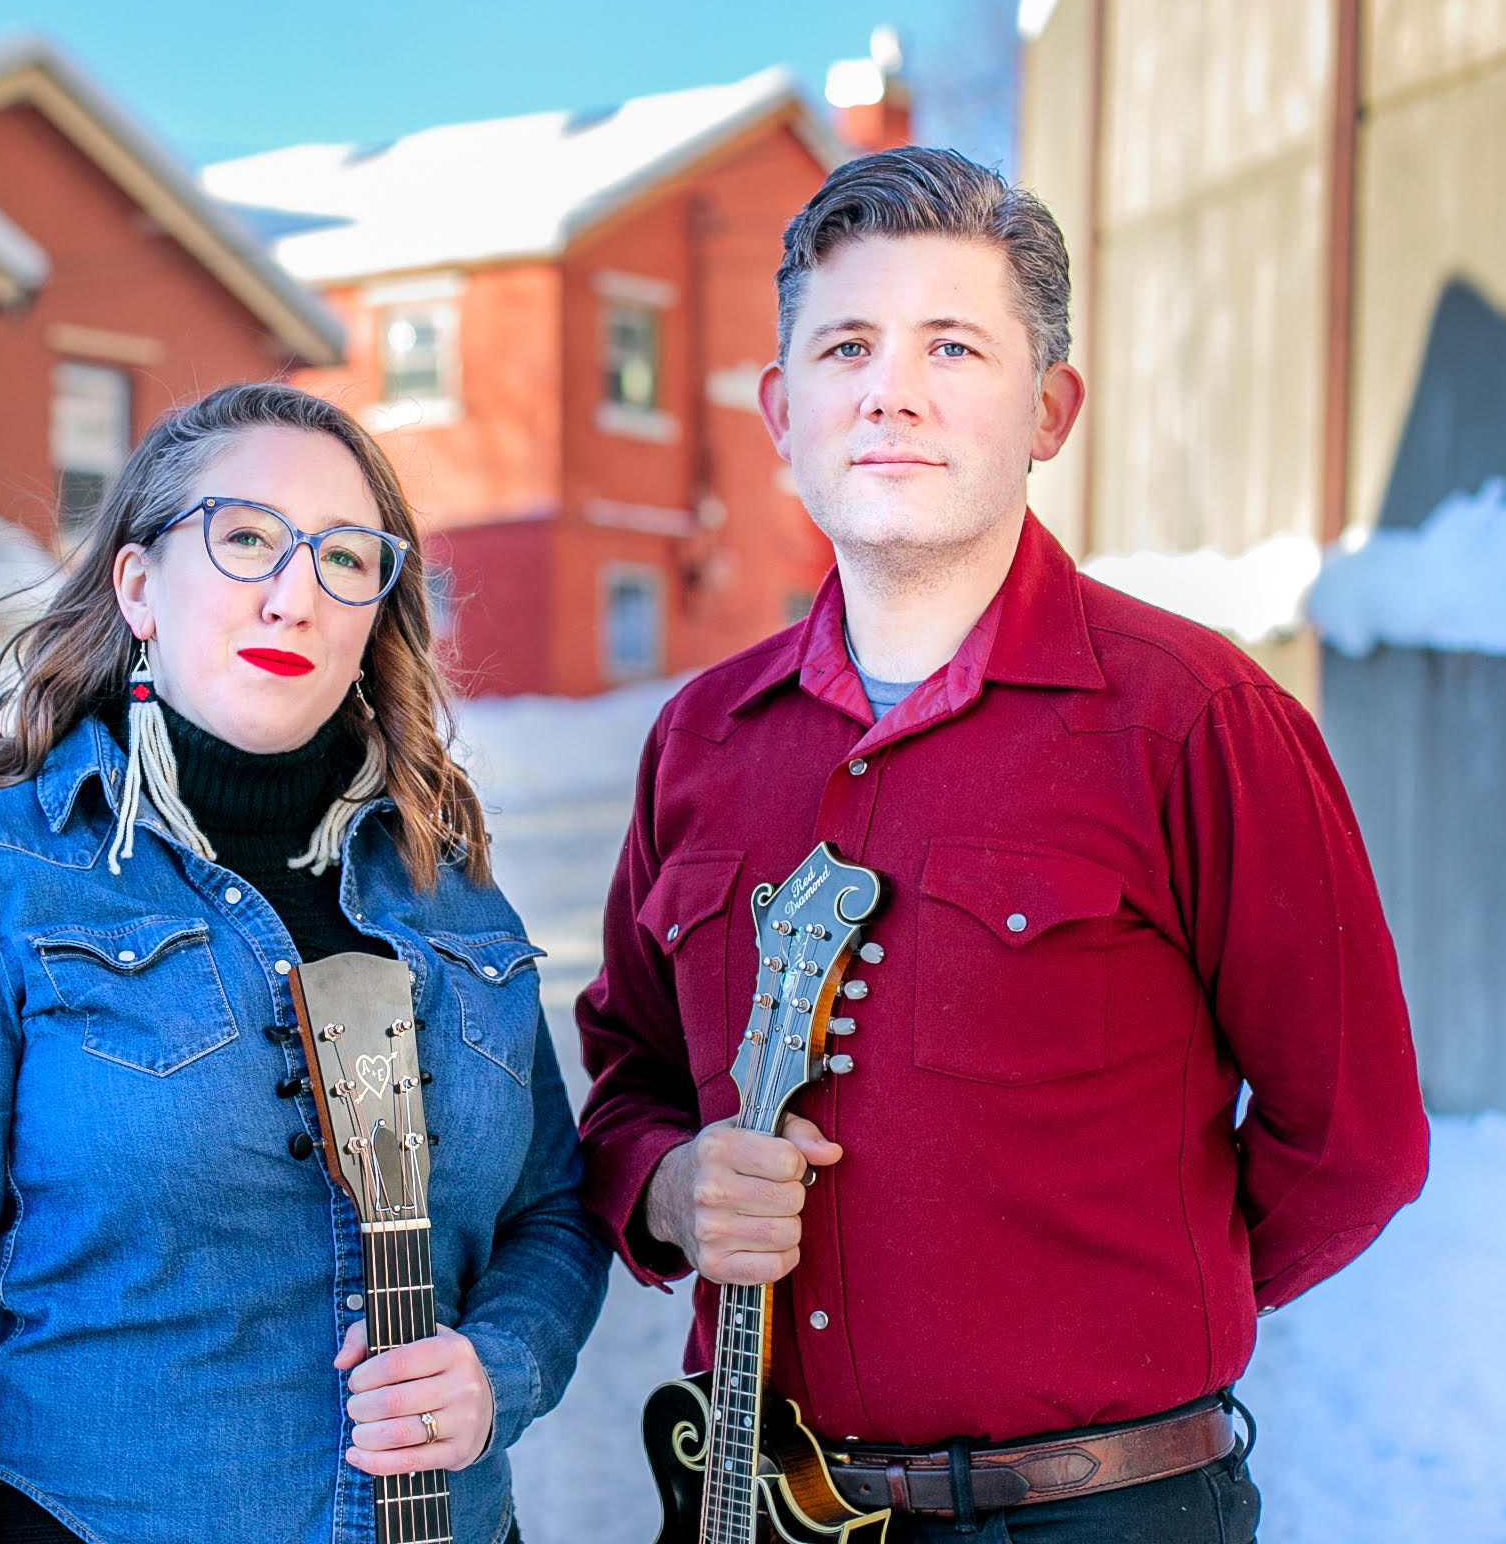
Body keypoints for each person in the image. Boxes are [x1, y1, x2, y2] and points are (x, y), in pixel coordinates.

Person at [574, 149, 1429, 1542]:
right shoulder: (699, 742)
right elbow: (626, 1076)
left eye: (951, 346)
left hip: (1095, 1513)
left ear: (1047, 410)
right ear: (781, 414)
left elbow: (1354, 1141)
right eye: (844, 345)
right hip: (748, 1498)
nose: (888, 390)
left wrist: (1137, 1305)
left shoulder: (1193, 721)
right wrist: (670, 1186)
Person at [0, 383, 606, 1544]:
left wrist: (500, 1369)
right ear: (138, 586)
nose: (293, 595)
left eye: (346, 558)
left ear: (374, 615)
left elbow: (554, 1209)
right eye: (245, 538)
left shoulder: (445, 881)